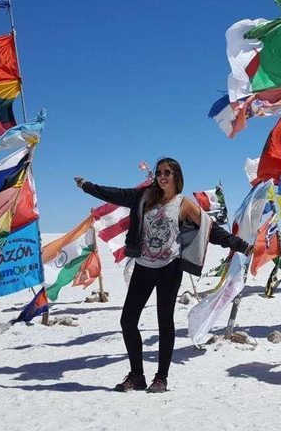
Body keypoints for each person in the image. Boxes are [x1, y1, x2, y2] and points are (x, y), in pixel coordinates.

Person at [74, 158, 252, 393]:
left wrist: (241, 245)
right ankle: (137, 375)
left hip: (170, 268)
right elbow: (115, 194)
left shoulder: (184, 204)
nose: (162, 176)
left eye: (167, 172)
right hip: (143, 266)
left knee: (164, 322)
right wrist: (88, 186)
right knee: (127, 320)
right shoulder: (144, 197)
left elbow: (211, 230)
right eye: (159, 172)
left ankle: (161, 378)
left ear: (176, 176)